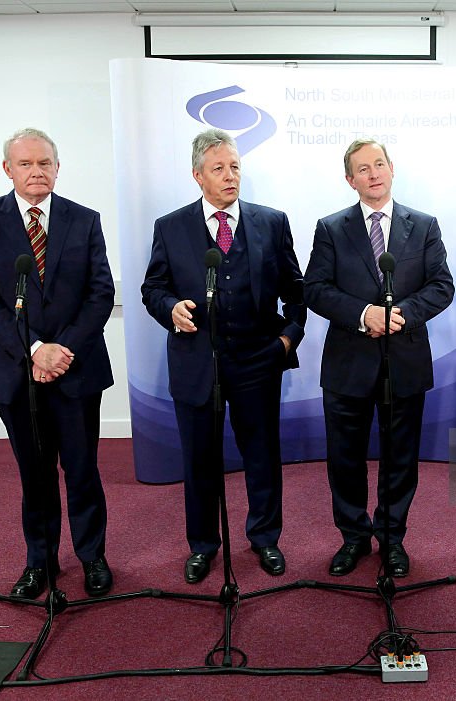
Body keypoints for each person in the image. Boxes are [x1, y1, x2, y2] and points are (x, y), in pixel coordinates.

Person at [142, 129, 306, 584]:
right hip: (197, 362)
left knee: (262, 454)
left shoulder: (272, 222)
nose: (230, 176)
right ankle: (203, 545)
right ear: (198, 175)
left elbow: (296, 290)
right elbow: (152, 288)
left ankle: (265, 538)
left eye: (235, 166)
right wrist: (170, 309)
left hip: (258, 359)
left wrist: (288, 339)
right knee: (199, 460)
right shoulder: (170, 227)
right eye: (219, 169)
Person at [0, 128, 115, 598]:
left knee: (82, 470)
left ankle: (92, 557)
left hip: (75, 369)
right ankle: (40, 562)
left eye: (45, 163)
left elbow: (100, 293)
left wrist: (60, 351)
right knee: (35, 473)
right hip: (15, 372)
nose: (37, 172)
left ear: (57, 166)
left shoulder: (84, 220)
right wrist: (33, 350)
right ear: (7, 169)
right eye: (26, 164)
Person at [304, 138, 454, 578]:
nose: (374, 173)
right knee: (345, 458)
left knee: (400, 458)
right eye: (363, 169)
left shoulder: (423, 225)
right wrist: (363, 314)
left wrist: (402, 316)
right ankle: (353, 538)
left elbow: (441, 286)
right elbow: (314, 288)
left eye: (380, 164)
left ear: (392, 168)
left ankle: (392, 538)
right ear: (350, 180)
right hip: (348, 362)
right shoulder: (331, 228)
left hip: (403, 360)